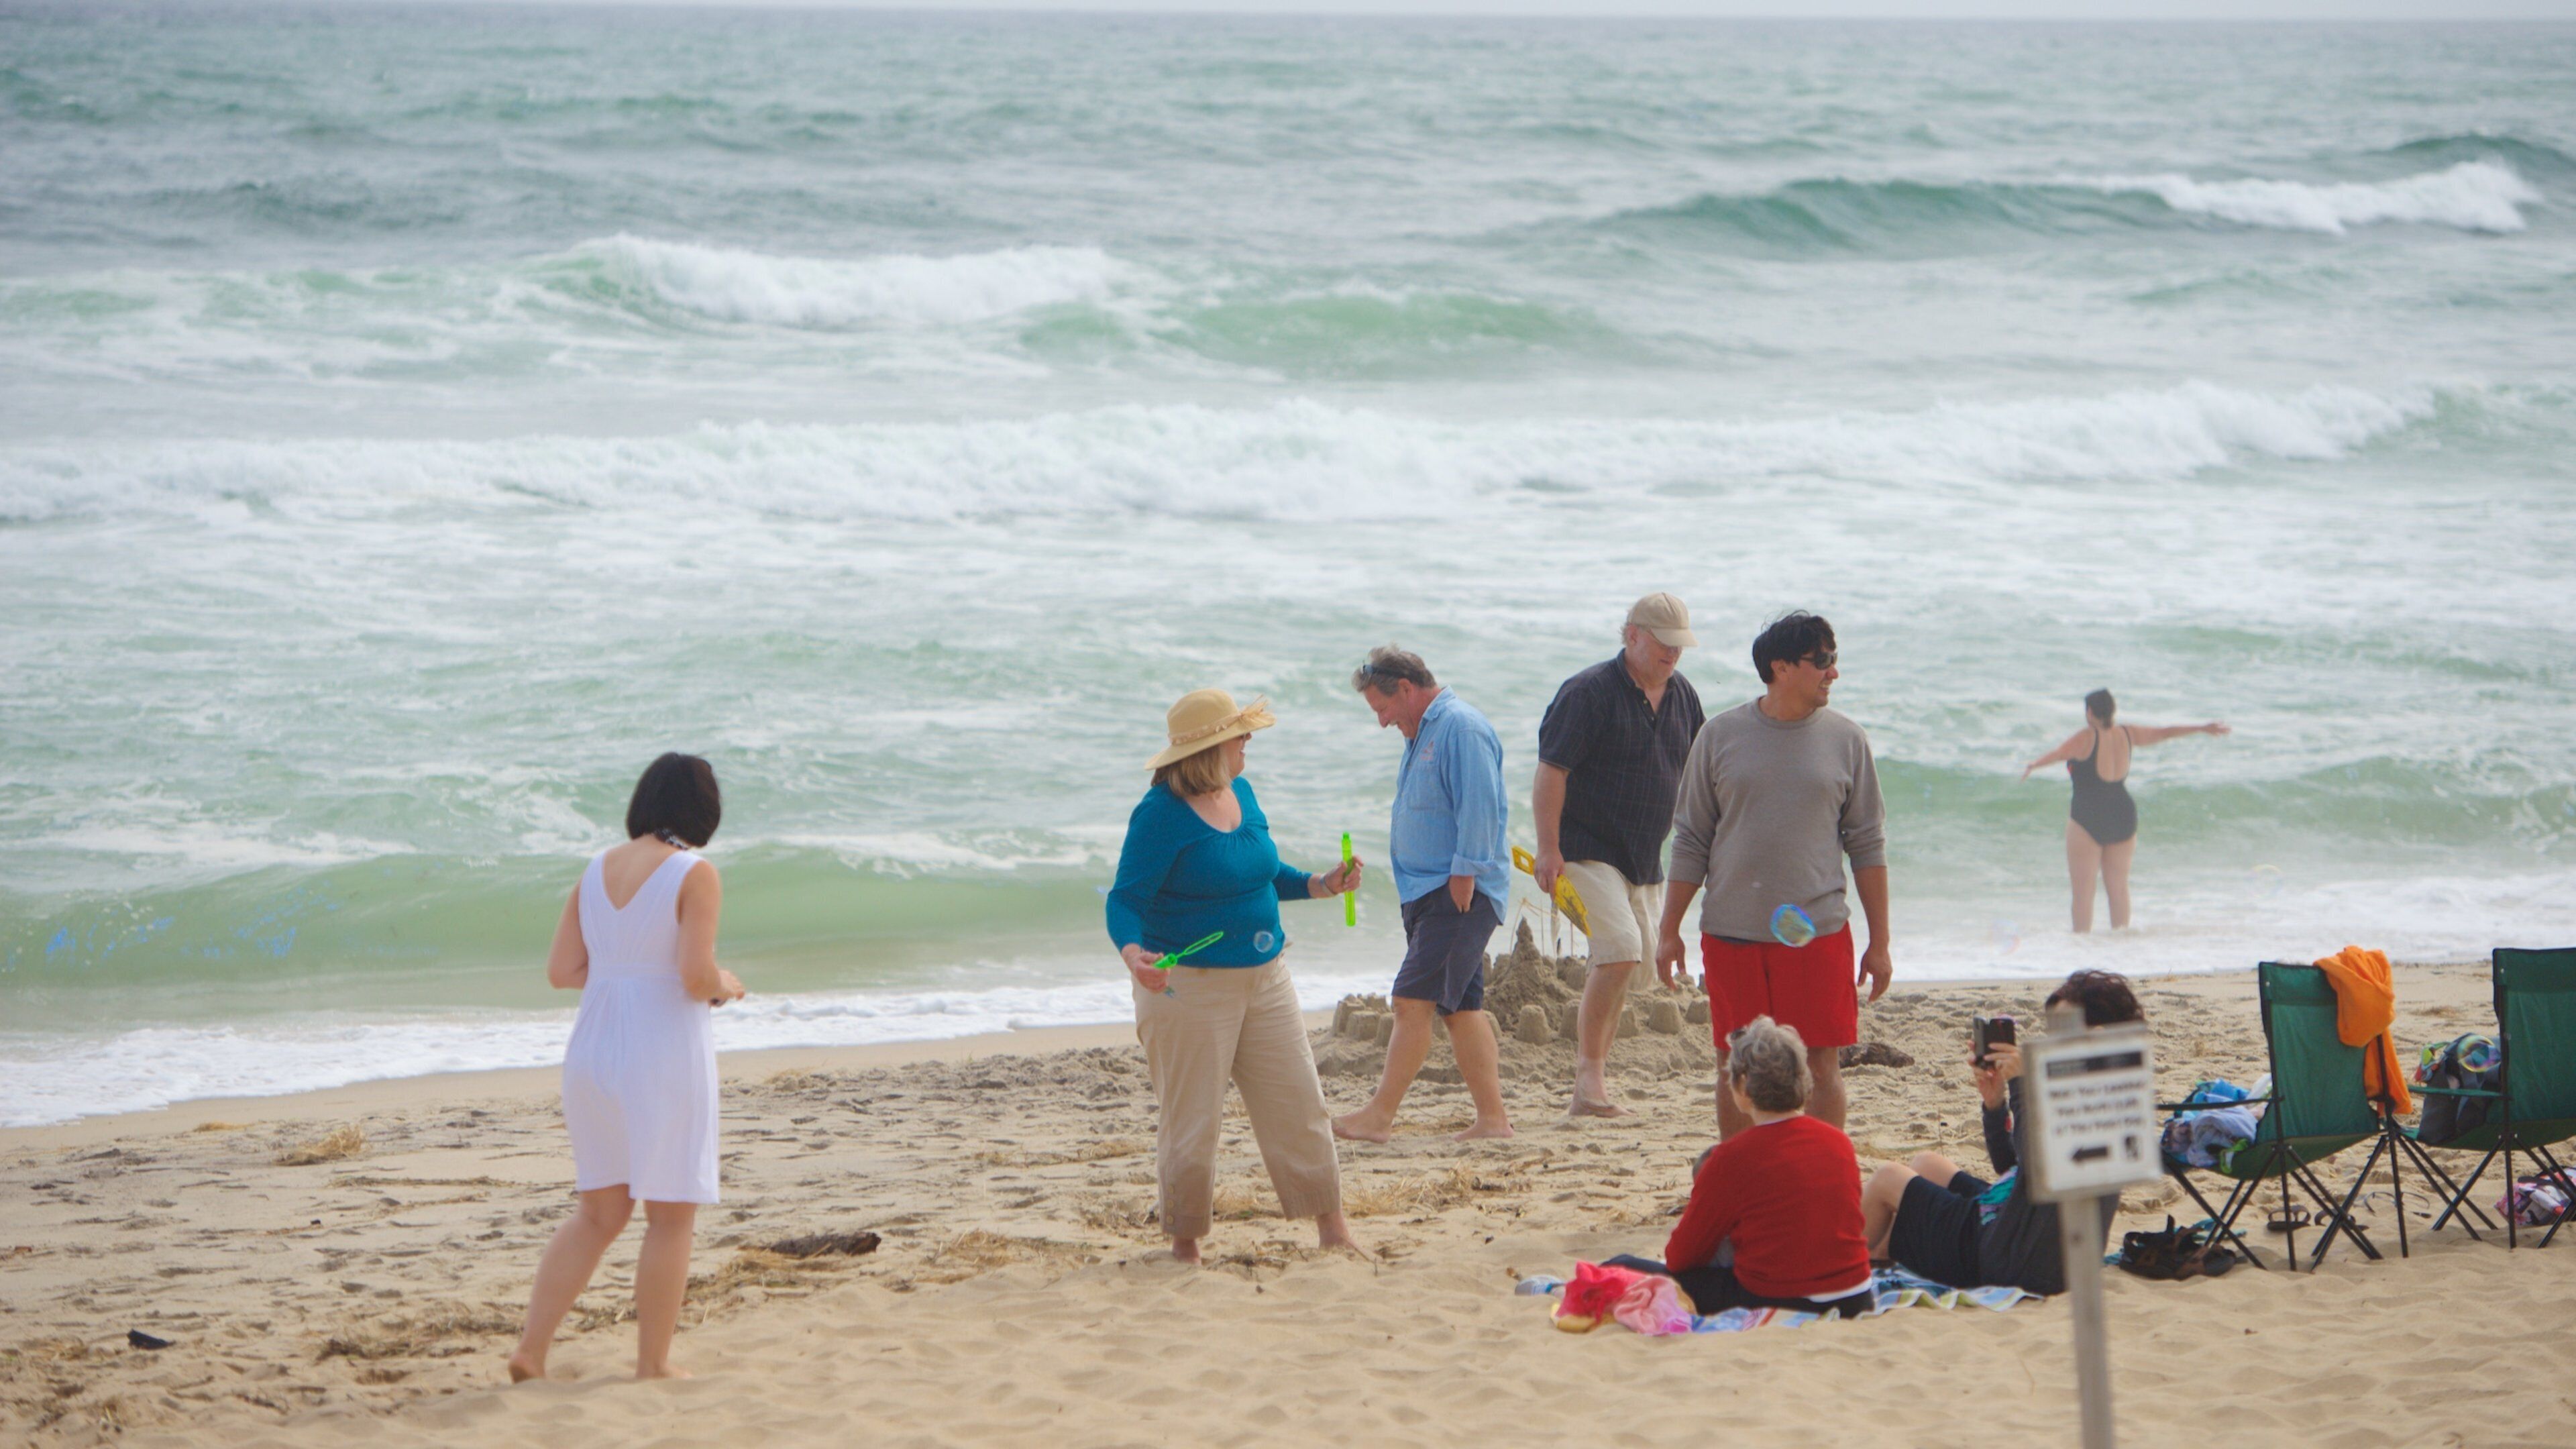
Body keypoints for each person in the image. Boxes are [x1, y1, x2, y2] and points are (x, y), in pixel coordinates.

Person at [1106, 688, 1364, 1264]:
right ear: (1210, 748)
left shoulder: (1242, 792)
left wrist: (1323, 884)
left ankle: (1333, 1231)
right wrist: (1132, 955)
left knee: (1300, 1104)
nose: (1249, 741)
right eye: (1240, 734)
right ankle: (1186, 1244)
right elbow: (1125, 900)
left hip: (1267, 978)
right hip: (1188, 987)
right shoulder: (1159, 815)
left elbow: (1263, 877)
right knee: (1193, 1121)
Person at [511, 753, 745, 1383]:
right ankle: (653, 1365)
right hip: (659, 1051)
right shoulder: (694, 872)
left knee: (598, 1214)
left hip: (593, 1050)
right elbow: (696, 977)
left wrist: (623, 971)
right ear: (703, 811)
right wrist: (725, 984)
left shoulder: (595, 870)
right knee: (670, 1216)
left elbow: (562, 972)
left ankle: (531, 1350)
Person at [1655, 610, 1889, 1139]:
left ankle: (1818, 1176)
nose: (1833, 673)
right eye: (1823, 661)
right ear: (1781, 667)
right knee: (1736, 1065)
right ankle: (1744, 1184)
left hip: (1820, 933)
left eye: (1834, 661)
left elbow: (1868, 845)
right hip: (1733, 933)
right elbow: (1691, 838)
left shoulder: (1848, 741)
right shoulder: (1719, 736)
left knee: (1822, 1065)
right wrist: (1669, 930)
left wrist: (1880, 942)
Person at [1860, 971, 2143, 1294]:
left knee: (1887, 1178)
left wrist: (2021, 1085)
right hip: (2019, 1235)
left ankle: (1841, 1274)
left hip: (2007, 1258)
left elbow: (2038, 1171)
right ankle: (1881, 1253)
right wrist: (1995, 1105)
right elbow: (2012, 1166)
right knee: (1927, 1164)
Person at [1533, 592, 1707, 1118]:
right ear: (1632, 634)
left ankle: (1592, 1077)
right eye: (1663, 643)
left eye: (1680, 646)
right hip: (1584, 848)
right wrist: (1548, 849)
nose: (1673, 655)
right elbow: (1551, 772)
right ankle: (1589, 1082)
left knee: (1634, 969)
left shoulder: (1683, 696)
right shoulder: (1587, 692)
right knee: (1621, 949)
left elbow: (1701, 775)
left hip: (1644, 856)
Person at [1334, 645, 1513, 1143]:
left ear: (1407, 690)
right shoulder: (1423, 731)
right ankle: (1494, 1120)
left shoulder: (1460, 726)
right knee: (1461, 1008)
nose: (1382, 722)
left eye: (1383, 709)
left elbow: (1482, 804)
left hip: (1457, 890)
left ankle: (1380, 1116)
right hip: (1429, 891)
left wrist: (1464, 872)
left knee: (1411, 1001)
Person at [1605, 1016, 1876, 1318]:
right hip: (1856, 1295)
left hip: (1784, 1298)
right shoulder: (1838, 1143)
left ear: (1743, 1085)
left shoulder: (1733, 1157)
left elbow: (1680, 1258)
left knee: (1621, 1265)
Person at [2020, 690, 2229, 933]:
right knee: (2118, 889)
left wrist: (2034, 765)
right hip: (2122, 814)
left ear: (2089, 712)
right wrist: (2202, 728)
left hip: (2088, 816)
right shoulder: (2128, 733)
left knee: (2083, 894)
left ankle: (2082, 952)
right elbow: (2164, 733)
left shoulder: (2086, 737)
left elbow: (2059, 754)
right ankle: (2121, 949)